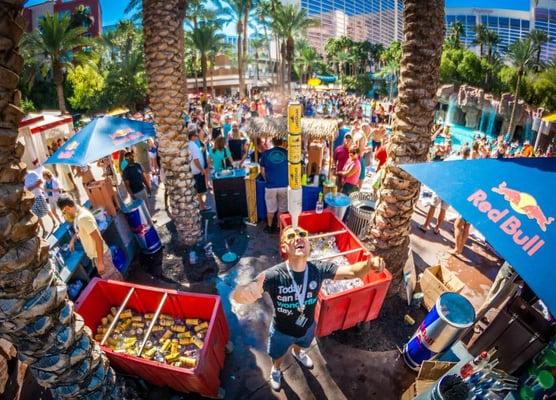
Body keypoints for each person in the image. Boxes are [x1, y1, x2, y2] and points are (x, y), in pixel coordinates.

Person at [231, 226, 385, 391]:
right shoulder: (274, 275)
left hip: (307, 326)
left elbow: (352, 272)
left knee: (302, 344)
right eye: (291, 235)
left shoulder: (318, 269)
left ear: (309, 244)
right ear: (284, 247)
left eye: (302, 234)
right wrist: (244, 293)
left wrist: (368, 265)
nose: (298, 238)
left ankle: (298, 353)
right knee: (278, 355)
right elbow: (239, 294)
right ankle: (276, 369)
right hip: (281, 331)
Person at [57, 195, 123, 281]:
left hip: (101, 256)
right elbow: (80, 230)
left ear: (67, 208)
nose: (65, 215)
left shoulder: (83, 218)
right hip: (98, 256)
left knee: (114, 281)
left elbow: (98, 240)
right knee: (112, 278)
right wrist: (72, 240)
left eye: (64, 212)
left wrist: (100, 262)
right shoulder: (78, 214)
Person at [260, 137, 289, 233]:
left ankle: (269, 226)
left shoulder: (265, 154)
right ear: (282, 142)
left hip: (271, 185)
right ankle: (278, 227)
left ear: (272, 142)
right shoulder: (287, 153)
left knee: (270, 208)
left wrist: (267, 180)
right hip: (284, 185)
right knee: (282, 208)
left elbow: (262, 171)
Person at [188, 130, 210, 211]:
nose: (197, 137)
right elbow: (196, 160)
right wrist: (202, 170)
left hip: (196, 170)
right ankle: (202, 206)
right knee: (200, 191)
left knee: (198, 190)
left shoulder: (191, 144)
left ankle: (200, 205)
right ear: (192, 136)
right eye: (196, 136)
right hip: (197, 171)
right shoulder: (192, 145)